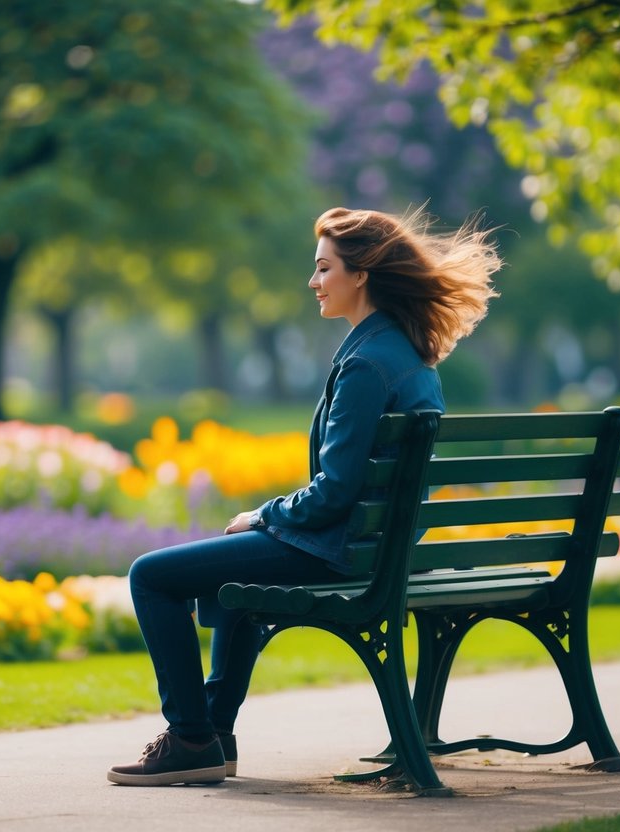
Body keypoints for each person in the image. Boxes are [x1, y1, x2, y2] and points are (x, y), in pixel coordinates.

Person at [107, 206, 501, 786]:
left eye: (323, 268)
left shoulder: (367, 363)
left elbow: (335, 492)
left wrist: (263, 514)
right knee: (231, 573)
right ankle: (214, 733)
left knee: (151, 576)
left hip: (336, 549)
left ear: (360, 274)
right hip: (368, 548)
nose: (313, 282)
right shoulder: (408, 354)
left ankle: (192, 738)